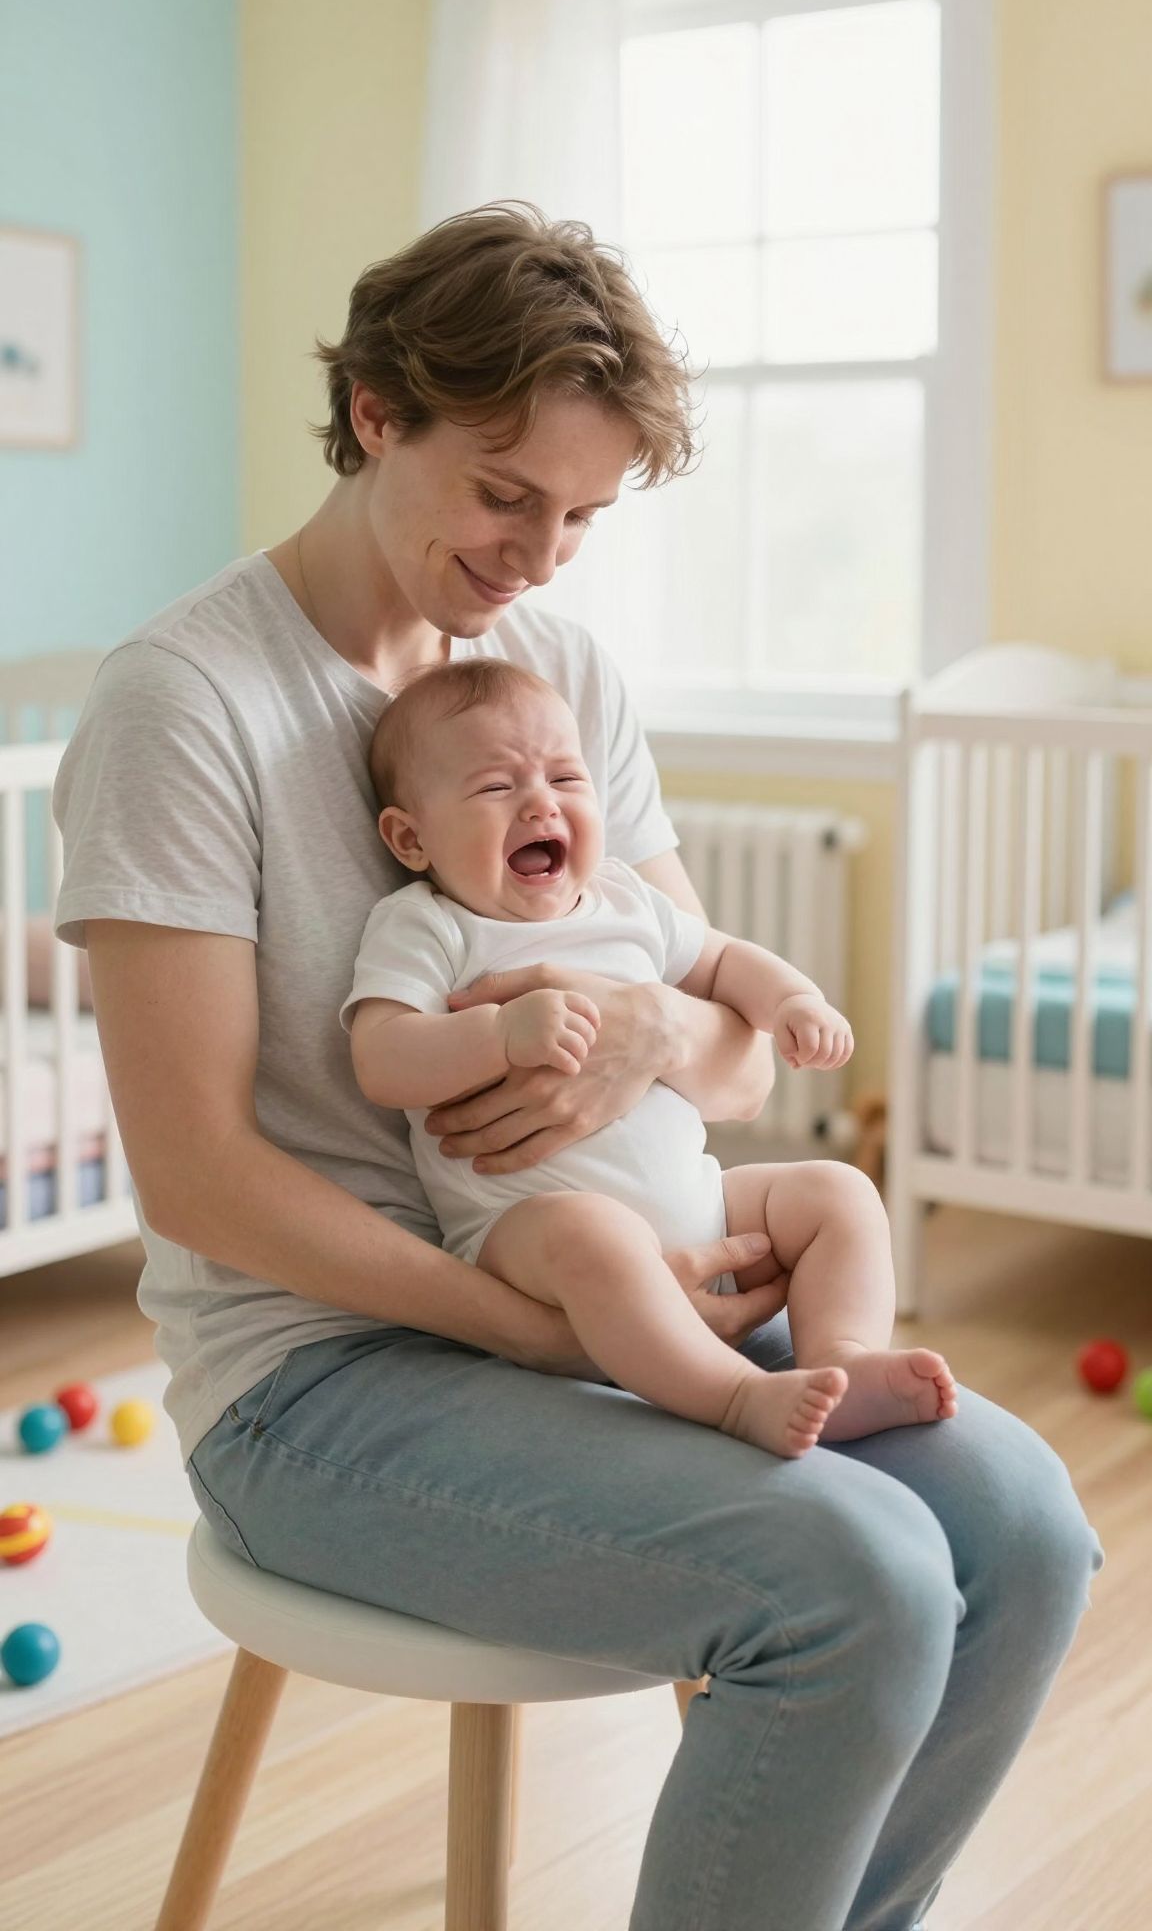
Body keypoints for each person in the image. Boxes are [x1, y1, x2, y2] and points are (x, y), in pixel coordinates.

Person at [53, 201, 1101, 1931]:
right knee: (856, 1580)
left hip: (626, 1278)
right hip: (329, 1373)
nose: (541, 556)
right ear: (378, 410)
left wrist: (641, 1043)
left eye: (585, 516)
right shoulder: (188, 705)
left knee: (1023, 1531)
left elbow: (730, 1059)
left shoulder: (559, 683)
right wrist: (540, 1324)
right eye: (505, 493)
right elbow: (199, 1179)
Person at [345, 655, 958, 1460]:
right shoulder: (428, 926)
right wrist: (496, 1036)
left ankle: (842, 1360)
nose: (541, 802)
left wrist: (793, 1002)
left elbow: (725, 961)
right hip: (526, 1235)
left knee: (836, 1191)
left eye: (566, 778)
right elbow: (381, 1058)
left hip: (701, 1206)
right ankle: (736, 1398)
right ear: (411, 837)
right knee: (595, 1235)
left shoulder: (628, 900)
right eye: (497, 787)